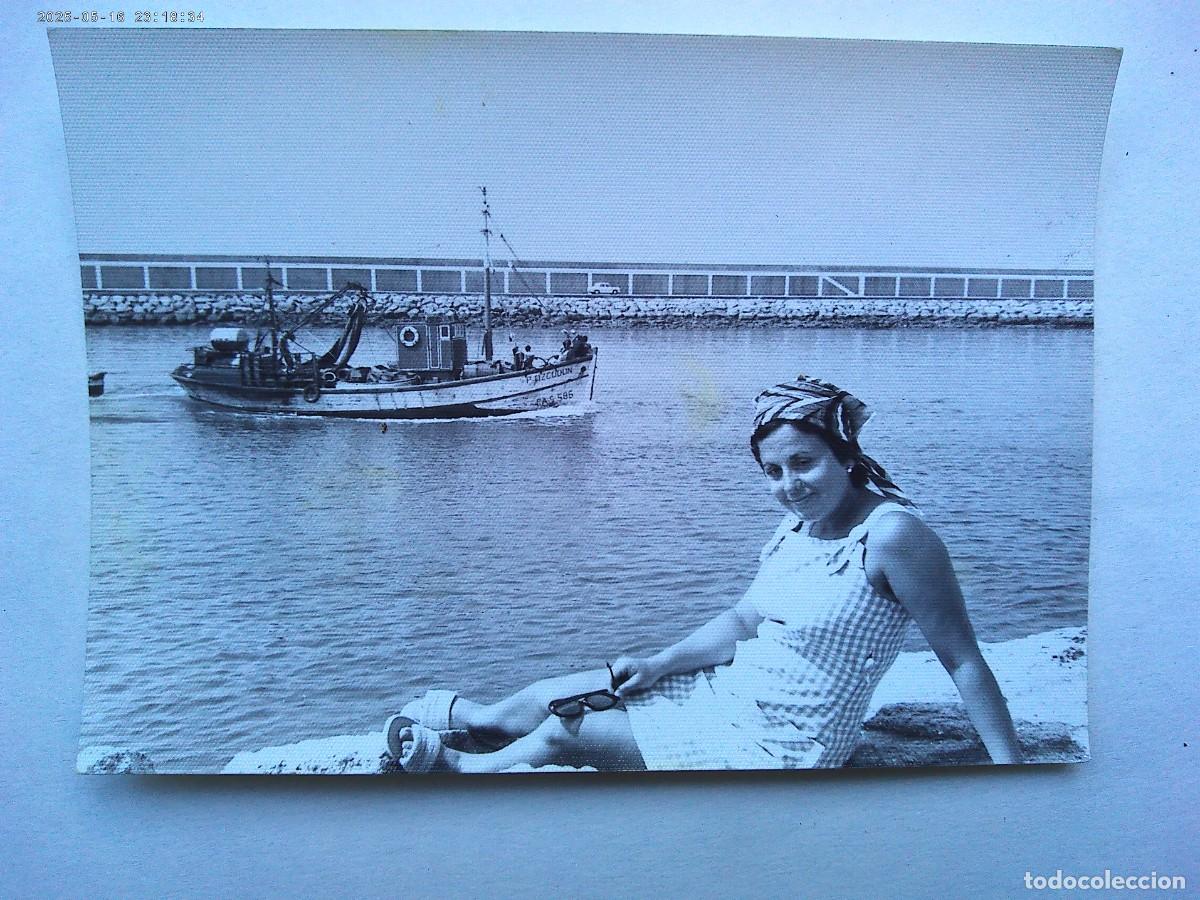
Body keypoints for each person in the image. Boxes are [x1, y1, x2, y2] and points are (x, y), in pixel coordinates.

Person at [385, 375, 1022, 772]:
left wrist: (1010, 774)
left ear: (846, 456)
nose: (789, 486)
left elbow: (962, 657)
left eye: (804, 463)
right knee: (575, 684)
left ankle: (467, 772)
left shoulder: (892, 535)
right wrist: (661, 663)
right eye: (773, 472)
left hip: (786, 743)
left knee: (569, 726)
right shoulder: (798, 526)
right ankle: (483, 718)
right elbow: (745, 620)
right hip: (731, 694)